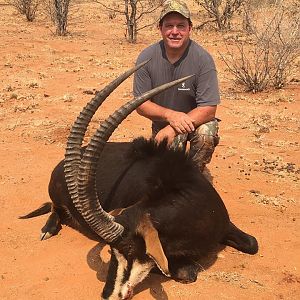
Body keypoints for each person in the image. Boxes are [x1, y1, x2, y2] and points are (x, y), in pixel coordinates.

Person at [133, 0, 220, 172]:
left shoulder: (203, 59)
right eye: (169, 25)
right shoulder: (146, 57)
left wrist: (174, 126)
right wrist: (170, 116)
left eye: (181, 26)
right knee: (169, 159)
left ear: (190, 28)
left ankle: (195, 175)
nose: (175, 32)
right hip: (163, 124)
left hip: (195, 122)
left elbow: (209, 109)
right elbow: (141, 104)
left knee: (206, 133)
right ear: (160, 28)